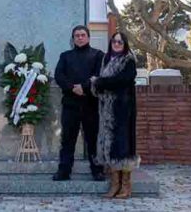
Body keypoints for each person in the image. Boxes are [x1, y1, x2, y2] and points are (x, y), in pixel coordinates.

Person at [52, 25, 104, 181]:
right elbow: (59, 75)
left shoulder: (98, 55)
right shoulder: (65, 56)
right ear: (73, 38)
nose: (80, 38)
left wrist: (84, 87)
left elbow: (100, 75)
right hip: (70, 104)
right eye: (77, 35)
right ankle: (64, 171)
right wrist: (72, 88)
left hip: (91, 104)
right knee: (67, 139)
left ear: (88, 37)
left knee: (93, 140)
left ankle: (97, 170)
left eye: (82, 35)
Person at [91, 31, 139, 199]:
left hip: (122, 109)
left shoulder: (129, 60)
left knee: (123, 146)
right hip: (106, 109)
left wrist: (99, 82)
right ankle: (114, 184)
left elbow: (123, 80)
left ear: (125, 44)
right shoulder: (106, 59)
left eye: (120, 42)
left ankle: (126, 186)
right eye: (114, 41)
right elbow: (101, 84)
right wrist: (98, 84)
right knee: (109, 146)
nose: (117, 44)